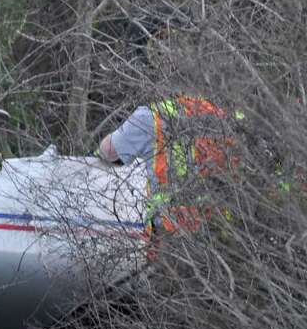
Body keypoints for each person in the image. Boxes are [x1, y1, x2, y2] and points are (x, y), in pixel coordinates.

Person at [98, 96, 241, 233]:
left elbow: (109, 151)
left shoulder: (150, 117)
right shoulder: (230, 115)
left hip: (169, 227)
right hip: (222, 227)